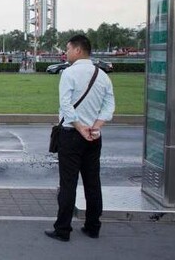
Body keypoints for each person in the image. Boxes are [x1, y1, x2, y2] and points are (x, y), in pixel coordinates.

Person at [45, 35, 115, 242]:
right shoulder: (102, 75)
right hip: (94, 136)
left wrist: (79, 126)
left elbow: (65, 105)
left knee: (68, 183)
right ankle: (93, 226)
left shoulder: (69, 73)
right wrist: (96, 125)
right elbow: (109, 106)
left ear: (77, 50)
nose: (65, 53)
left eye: (67, 49)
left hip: (72, 135)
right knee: (93, 182)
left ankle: (63, 229)